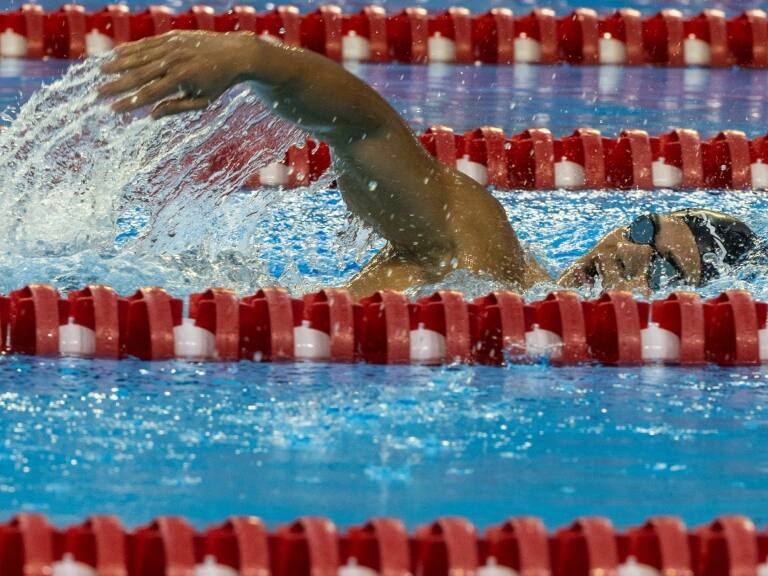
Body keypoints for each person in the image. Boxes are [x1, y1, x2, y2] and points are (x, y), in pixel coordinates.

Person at [99, 31, 759, 298]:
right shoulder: (486, 250)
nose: (631, 257)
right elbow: (366, 130)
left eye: (666, 268)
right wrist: (253, 58)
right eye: (645, 231)